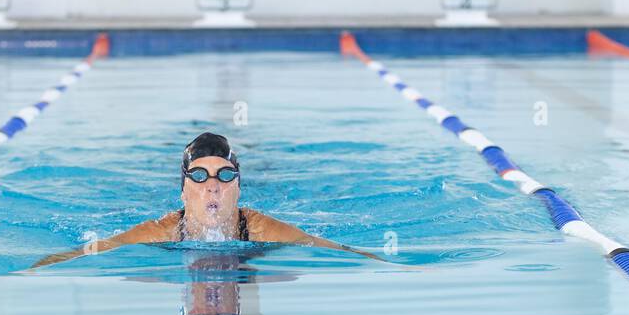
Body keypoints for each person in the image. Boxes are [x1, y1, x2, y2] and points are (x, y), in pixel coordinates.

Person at [29, 131, 379, 268]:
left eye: (225, 175)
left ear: (238, 188)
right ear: (183, 189)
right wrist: (32, 269)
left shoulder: (256, 228)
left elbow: (329, 247)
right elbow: (95, 249)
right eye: (199, 175)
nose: (212, 185)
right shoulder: (164, 230)